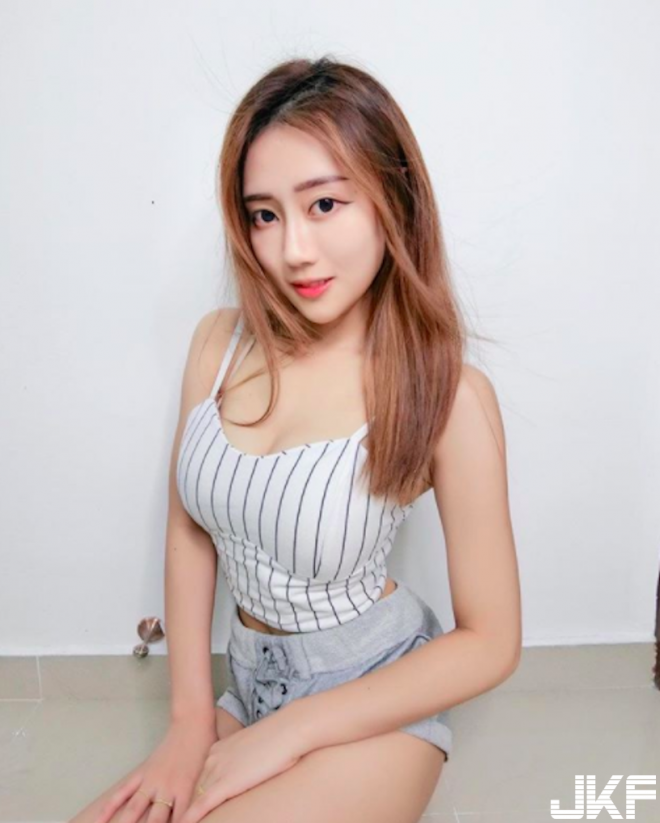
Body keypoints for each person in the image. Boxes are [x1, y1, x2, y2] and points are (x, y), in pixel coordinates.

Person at [70, 55, 522, 823]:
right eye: (265, 215)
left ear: (392, 199)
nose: (294, 251)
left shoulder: (448, 396)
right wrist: (189, 718)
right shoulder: (218, 346)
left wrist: (293, 731)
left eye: (325, 204)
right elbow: (189, 530)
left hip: (374, 693)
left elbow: (492, 639)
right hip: (249, 685)